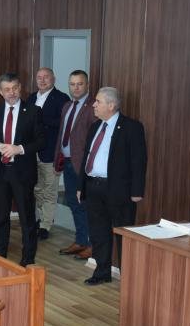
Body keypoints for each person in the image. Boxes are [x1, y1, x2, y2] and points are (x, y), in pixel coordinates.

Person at [77, 87, 146, 285]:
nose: (94, 105)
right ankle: (102, 272)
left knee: (123, 234)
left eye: (98, 101)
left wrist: (137, 191)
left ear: (111, 105)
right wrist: (81, 186)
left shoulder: (132, 127)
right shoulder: (95, 127)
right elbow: (86, 158)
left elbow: (139, 161)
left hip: (119, 190)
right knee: (98, 232)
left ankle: (127, 277)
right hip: (93, 186)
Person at [0, 73, 44, 266]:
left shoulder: (33, 111)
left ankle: (28, 258)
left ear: (20, 88)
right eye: (7, 89)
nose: (12, 93)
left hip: (23, 173)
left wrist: (20, 149)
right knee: (1, 217)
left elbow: (41, 141)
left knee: (27, 218)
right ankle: (0, 254)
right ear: (0, 92)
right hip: (0, 172)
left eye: (15, 88)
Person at [25, 68, 70, 240]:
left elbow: (64, 123)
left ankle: (46, 224)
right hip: (32, 152)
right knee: (37, 188)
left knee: (50, 190)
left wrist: (40, 118)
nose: (42, 80)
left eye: (46, 77)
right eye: (39, 77)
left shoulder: (61, 98)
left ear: (53, 79)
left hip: (50, 151)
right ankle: (41, 218)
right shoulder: (31, 98)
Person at [55, 70, 97, 259]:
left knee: (86, 204)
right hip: (67, 162)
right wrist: (57, 158)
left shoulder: (92, 107)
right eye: (72, 84)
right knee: (73, 202)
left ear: (87, 85)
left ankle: (92, 245)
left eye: (80, 84)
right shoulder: (67, 106)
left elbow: (94, 138)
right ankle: (81, 240)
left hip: (83, 164)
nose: (76, 88)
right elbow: (62, 133)